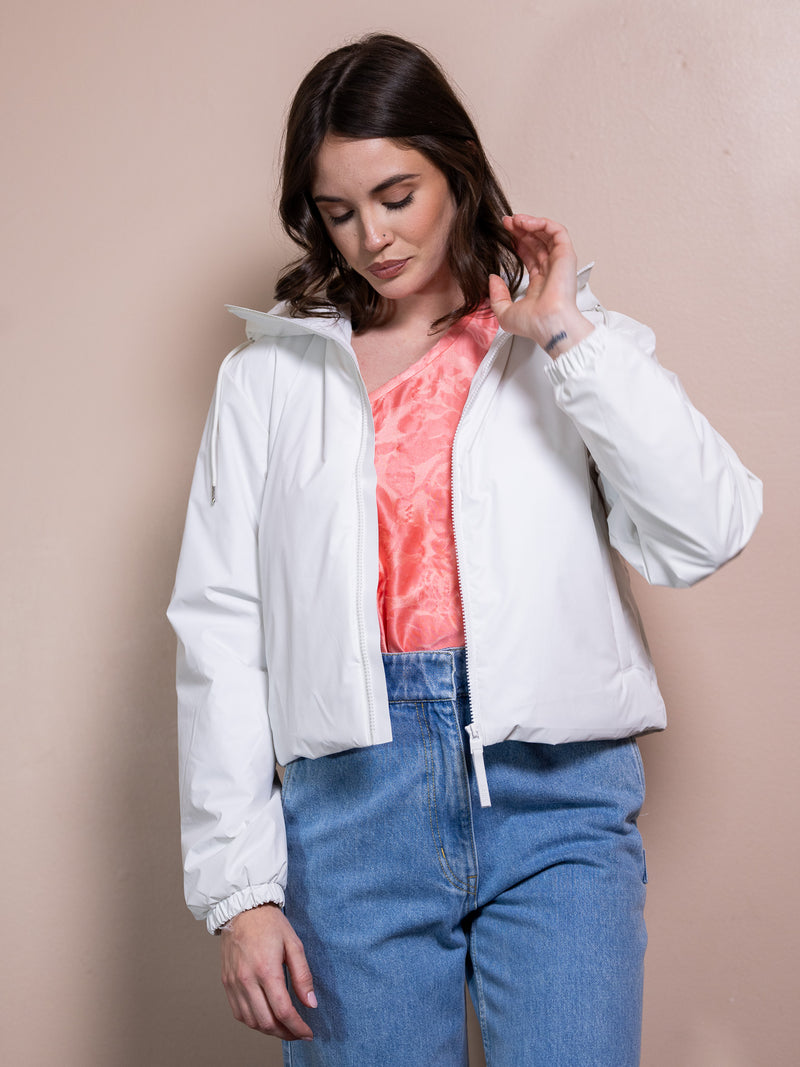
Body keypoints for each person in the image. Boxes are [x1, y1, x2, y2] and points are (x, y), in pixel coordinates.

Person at [167, 33, 762, 1066]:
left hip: (555, 797)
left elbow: (704, 528)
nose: (371, 238)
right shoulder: (267, 381)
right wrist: (240, 891)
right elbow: (222, 632)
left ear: (455, 169)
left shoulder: (560, 344)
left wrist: (567, 335)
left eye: (396, 195)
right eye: (339, 210)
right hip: (352, 812)